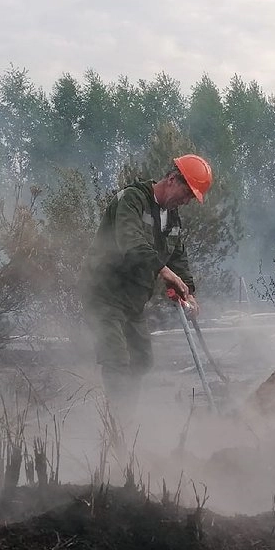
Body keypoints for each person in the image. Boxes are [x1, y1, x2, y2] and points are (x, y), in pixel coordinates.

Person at [83, 155, 212, 429]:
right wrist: (166, 274)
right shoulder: (132, 199)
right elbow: (131, 243)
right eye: (187, 193)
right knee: (117, 359)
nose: (187, 201)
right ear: (171, 179)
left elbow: (177, 256)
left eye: (192, 197)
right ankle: (117, 429)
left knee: (142, 359)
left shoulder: (172, 220)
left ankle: (124, 417)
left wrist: (188, 291)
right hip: (104, 293)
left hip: (133, 300)